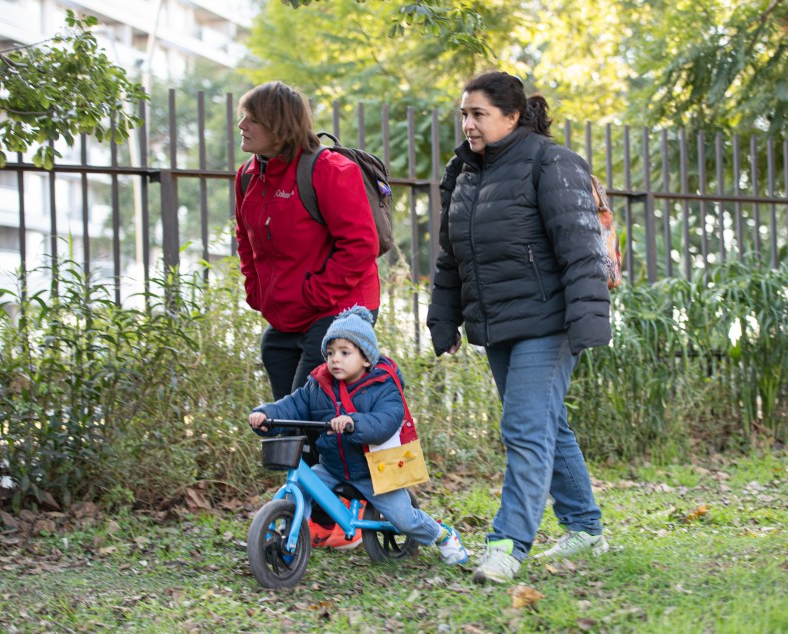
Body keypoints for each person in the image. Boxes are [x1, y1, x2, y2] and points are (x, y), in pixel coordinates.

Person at [427, 71, 612, 583]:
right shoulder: (464, 172)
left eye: (479, 114)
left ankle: (506, 545)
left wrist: (588, 320)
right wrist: (443, 316)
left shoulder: (551, 162)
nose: (468, 124)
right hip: (499, 321)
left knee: (524, 428)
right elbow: (451, 256)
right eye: (464, 114)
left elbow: (581, 249)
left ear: (511, 116)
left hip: (549, 321)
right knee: (547, 424)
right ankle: (585, 529)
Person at [235, 81, 380, 545]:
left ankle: (343, 515)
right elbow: (245, 240)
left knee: (315, 412)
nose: (242, 126)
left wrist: (312, 292)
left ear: (279, 125)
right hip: (287, 313)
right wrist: (258, 293)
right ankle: (321, 511)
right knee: (291, 421)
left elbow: (360, 245)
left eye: (252, 118)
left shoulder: (329, 171)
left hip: (339, 310)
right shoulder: (248, 176)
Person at [248, 306, 469, 564]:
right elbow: (292, 405)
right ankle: (288, 542)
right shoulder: (318, 385)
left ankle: (442, 535)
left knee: (403, 518)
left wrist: (354, 422)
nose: (335, 359)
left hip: (373, 471)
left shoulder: (383, 386)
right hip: (332, 468)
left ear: (366, 358)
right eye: (330, 353)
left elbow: (386, 420)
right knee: (299, 487)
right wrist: (266, 415)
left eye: (345, 353)